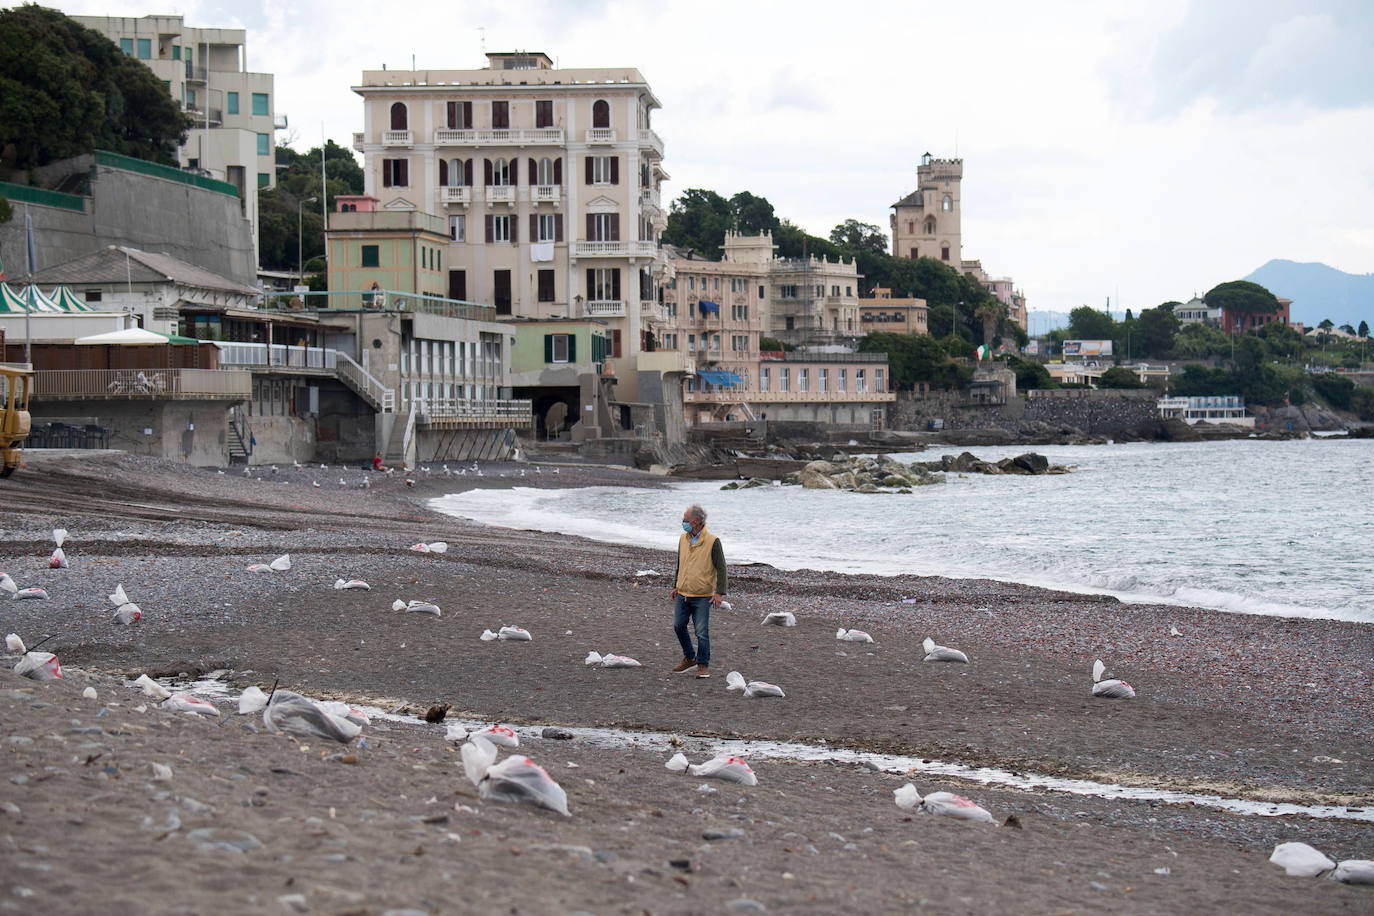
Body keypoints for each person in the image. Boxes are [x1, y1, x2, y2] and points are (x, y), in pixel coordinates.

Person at [670, 504, 726, 679]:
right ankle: (689, 657)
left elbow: (721, 568)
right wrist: (675, 585)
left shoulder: (713, 541)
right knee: (678, 626)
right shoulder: (683, 539)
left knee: (701, 632)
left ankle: (703, 665)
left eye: (685, 520)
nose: (683, 523)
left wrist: (719, 593)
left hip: (702, 596)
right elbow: (680, 564)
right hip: (683, 592)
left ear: (695, 521)